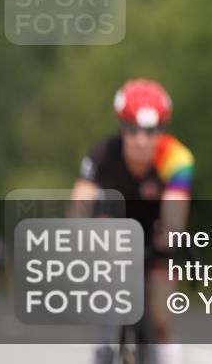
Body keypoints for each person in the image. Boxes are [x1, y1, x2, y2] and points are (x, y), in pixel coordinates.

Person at [71, 79, 194, 364]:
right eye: (132, 130)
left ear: (162, 130)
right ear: (121, 127)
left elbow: (175, 210)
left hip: (157, 232)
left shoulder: (177, 157)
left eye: (152, 131)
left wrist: (171, 237)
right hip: (115, 230)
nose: (141, 140)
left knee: (162, 318)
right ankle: (103, 346)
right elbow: (80, 203)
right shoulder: (102, 154)